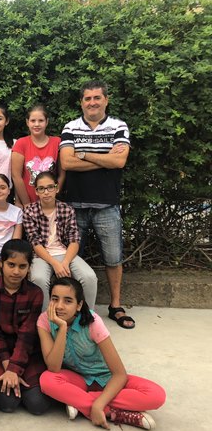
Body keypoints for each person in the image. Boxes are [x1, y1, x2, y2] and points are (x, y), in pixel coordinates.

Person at [38, 277, 166, 430]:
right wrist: (62, 328)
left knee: (156, 395)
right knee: (47, 380)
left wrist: (99, 404)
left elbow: (119, 374)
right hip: (77, 380)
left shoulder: (93, 322)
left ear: (79, 305)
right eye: (54, 299)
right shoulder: (44, 321)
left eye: (68, 301)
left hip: (107, 379)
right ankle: (114, 413)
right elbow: (53, 367)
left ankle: (81, 403)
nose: (59, 306)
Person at [59, 80, 133, 328]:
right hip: (75, 206)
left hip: (107, 205)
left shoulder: (118, 126)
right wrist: (104, 158)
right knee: (72, 259)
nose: (92, 102)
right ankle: (74, 307)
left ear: (106, 100)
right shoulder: (71, 127)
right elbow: (67, 163)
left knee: (113, 258)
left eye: (97, 98)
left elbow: (119, 162)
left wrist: (83, 153)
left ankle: (115, 306)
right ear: (81, 102)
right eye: (87, 98)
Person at [0, 239, 51, 415]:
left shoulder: (35, 293)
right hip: (0, 353)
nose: (16, 271)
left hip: (27, 352)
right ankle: (12, 379)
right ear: (2, 263)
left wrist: (15, 369)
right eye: (11, 265)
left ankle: (23, 382)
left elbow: (27, 335)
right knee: (7, 403)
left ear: (29, 267)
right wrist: (8, 367)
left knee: (37, 405)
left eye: (22, 266)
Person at [23, 172, 98, 309]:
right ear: (36, 191)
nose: (46, 192)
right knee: (38, 279)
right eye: (41, 188)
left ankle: (87, 316)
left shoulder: (67, 209)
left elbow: (74, 240)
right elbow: (35, 243)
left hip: (65, 253)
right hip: (41, 255)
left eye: (50, 187)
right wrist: (55, 264)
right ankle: (46, 318)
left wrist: (65, 262)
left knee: (89, 277)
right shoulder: (30, 211)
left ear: (56, 188)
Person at [12, 104, 65, 207]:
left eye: (41, 120)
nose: (37, 124)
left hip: (51, 203)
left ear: (47, 122)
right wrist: (26, 203)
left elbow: (62, 175)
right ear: (27, 122)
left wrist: (54, 196)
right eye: (33, 121)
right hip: (28, 202)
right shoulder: (21, 143)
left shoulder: (57, 142)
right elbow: (16, 176)